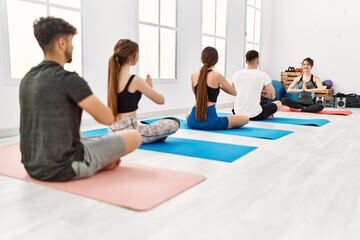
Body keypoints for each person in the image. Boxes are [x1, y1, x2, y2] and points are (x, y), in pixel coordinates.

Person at [19, 17, 141, 182]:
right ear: (62, 43)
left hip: (31, 165)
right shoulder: (69, 79)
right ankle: (97, 163)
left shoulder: (28, 78)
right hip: (63, 166)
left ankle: (98, 160)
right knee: (134, 136)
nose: (73, 46)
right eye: (71, 41)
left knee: (88, 139)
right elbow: (107, 118)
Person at [107, 39, 180, 143]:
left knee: (142, 123)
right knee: (174, 122)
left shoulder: (112, 79)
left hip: (112, 132)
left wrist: (144, 88)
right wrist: (149, 88)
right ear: (131, 57)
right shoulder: (135, 80)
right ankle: (157, 136)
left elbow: (127, 102)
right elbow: (161, 100)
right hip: (131, 134)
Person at [186, 46, 249, 130]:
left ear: (202, 59)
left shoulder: (193, 75)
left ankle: (196, 121)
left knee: (188, 115)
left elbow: (195, 93)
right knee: (245, 119)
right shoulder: (217, 76)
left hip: (192, 122)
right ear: (216, 60)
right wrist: (219, 86)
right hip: (211, 122)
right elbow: (234, 93)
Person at [232, 50, 282, 120]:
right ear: (258, 61)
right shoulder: (263, 75)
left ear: (245, 61)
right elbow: (272, 96)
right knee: (279, 103)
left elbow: (234, 92)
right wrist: (262, 93)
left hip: (237, 112)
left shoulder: (236, 74)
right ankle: (267, 115)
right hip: (255, 115)